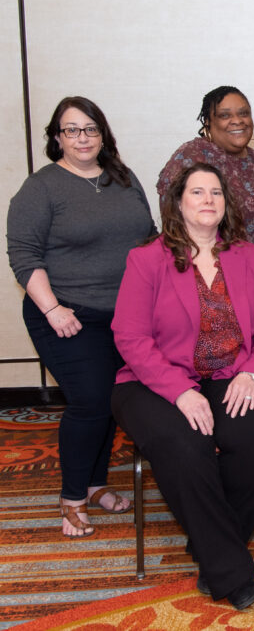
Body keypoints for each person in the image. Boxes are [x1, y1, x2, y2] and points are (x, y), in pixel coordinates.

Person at [110, 164, 254, 611]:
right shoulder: (147, 258)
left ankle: (210, 544)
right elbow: (130, 337)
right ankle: (227, 568)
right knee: (185, 445)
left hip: (235, 374)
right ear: (178, 202)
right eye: (197, 192)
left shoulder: (248, 256)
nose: (208, 199)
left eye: (216, 192)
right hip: (156, 381)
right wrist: (178, 391)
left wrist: (253, 372)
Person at [7, 96, 155, 539]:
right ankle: (71, 498)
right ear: (57, 138)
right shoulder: (41, 188)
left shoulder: (124, 180)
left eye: (90, 128)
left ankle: (95, 485)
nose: (82, 137)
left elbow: (147, 239)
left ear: (103, 134)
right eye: (71, 129)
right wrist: (52, 308)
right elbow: (23, 255)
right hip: (65, 313)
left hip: (124, 315)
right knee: (91, 399)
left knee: (111, 400)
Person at [158, 86, 254, 297]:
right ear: (208, 123)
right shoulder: (192, 157)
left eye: (243, 113)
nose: (237, 120)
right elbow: (173, 216)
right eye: (224, 115)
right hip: (218, 288)